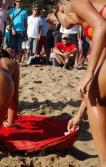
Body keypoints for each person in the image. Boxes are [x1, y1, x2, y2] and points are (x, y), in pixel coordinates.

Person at [56, 0, 106, 165]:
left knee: (95, 99)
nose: (60, 24)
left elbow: (102, 26)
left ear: (61, 10)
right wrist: (78, 115)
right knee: (93, 94)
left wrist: (89, 72)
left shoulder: (77, 1)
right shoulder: (88, 21)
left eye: (57, 18)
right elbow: (101, 56)